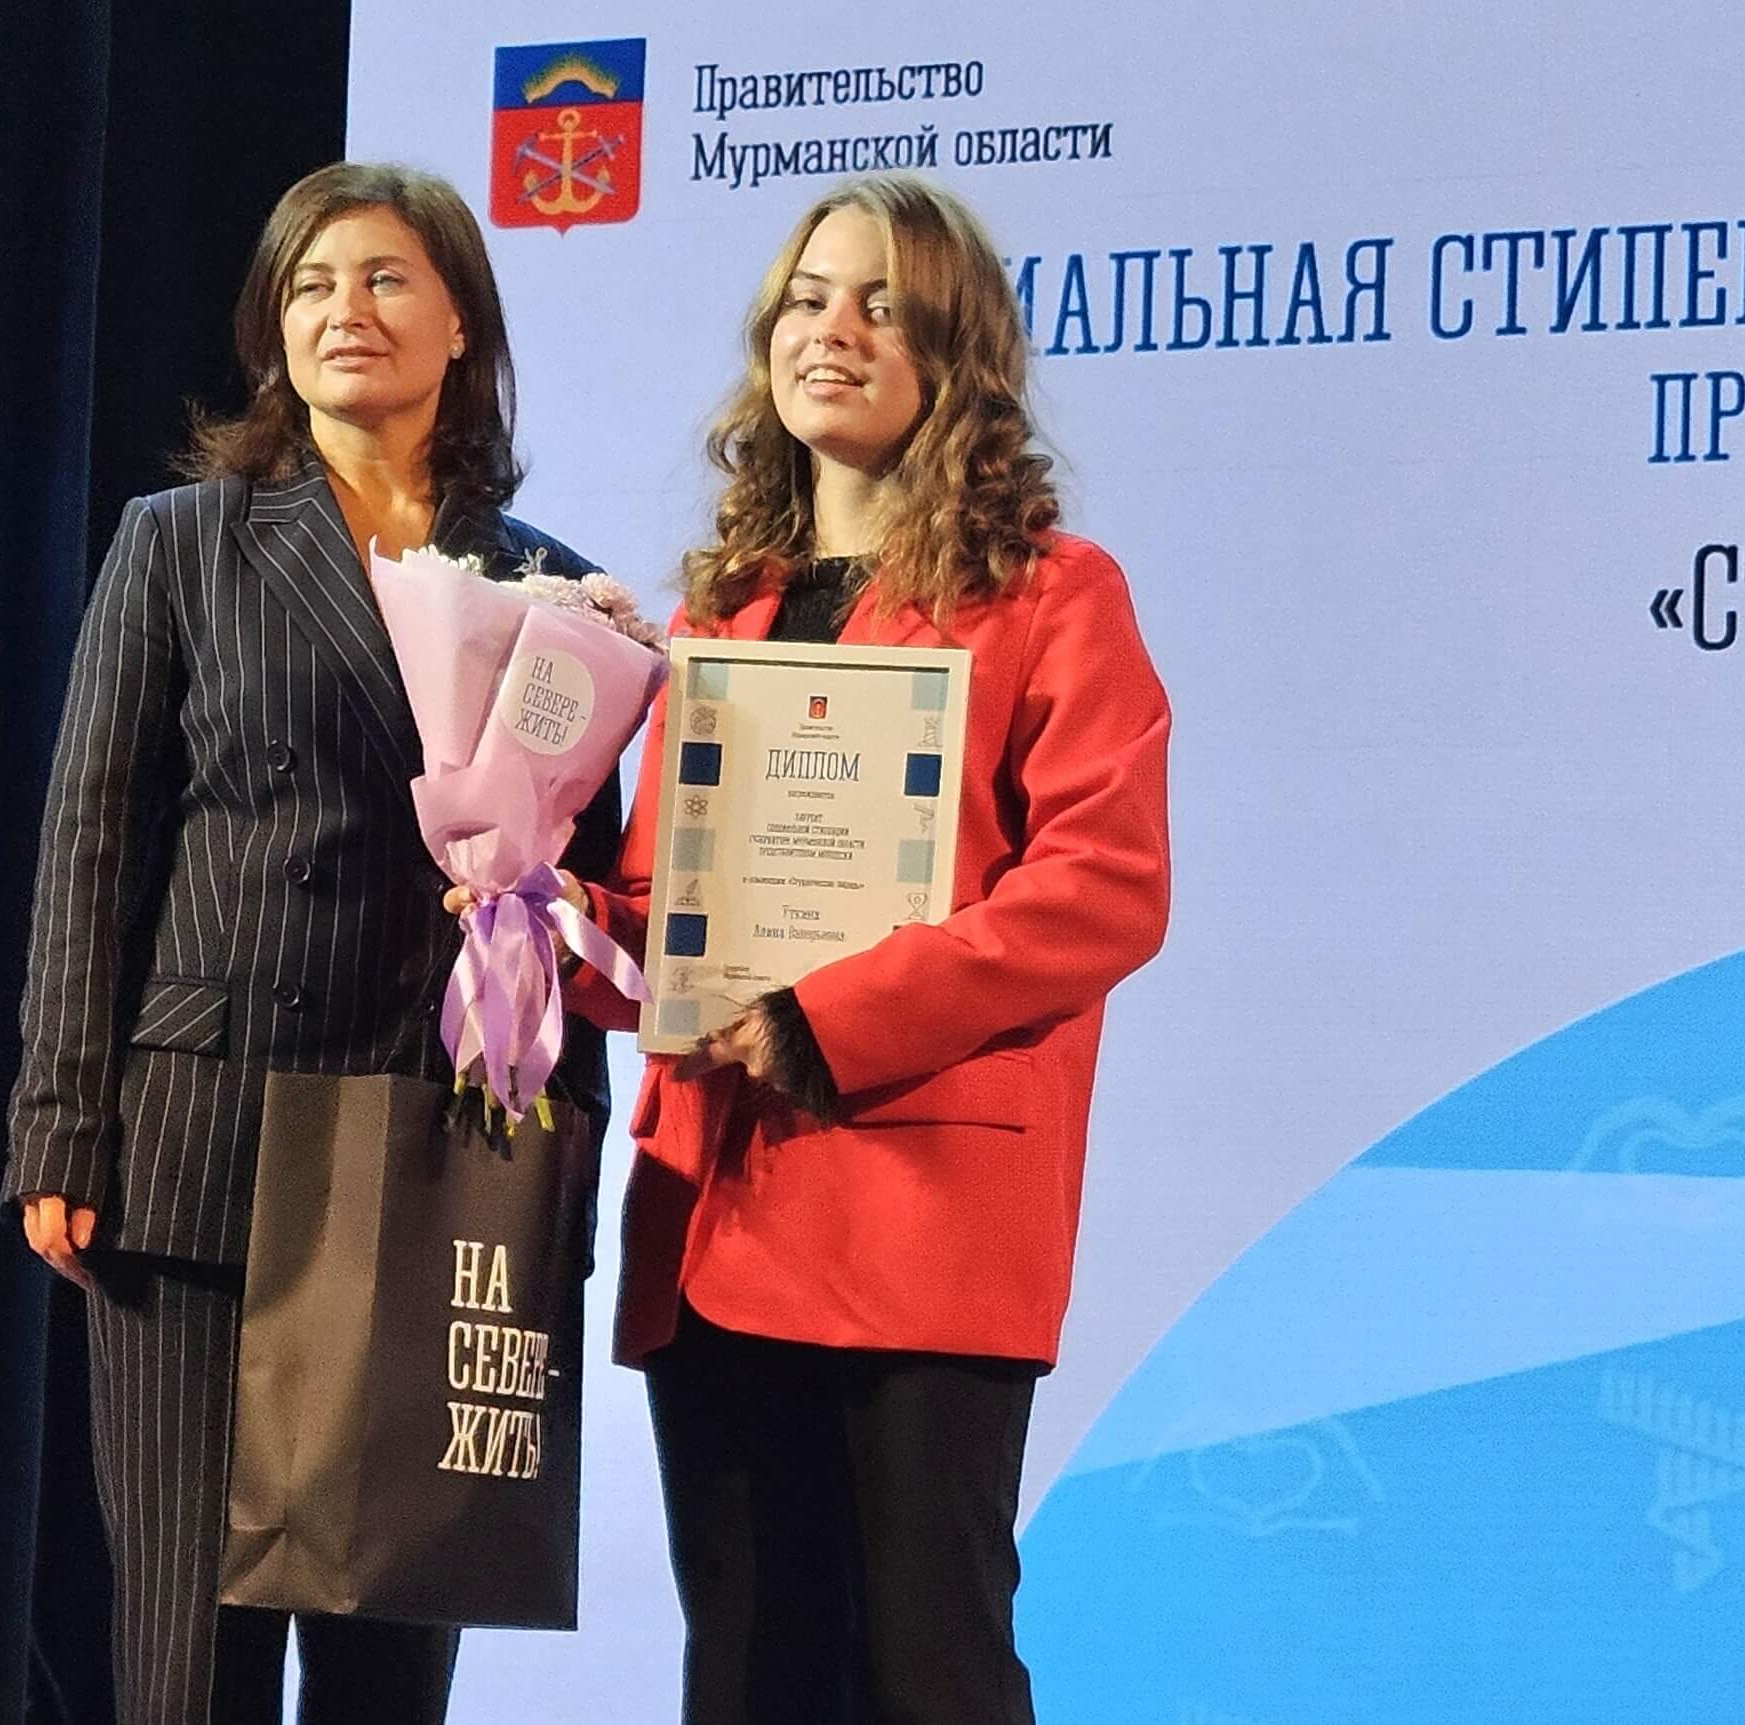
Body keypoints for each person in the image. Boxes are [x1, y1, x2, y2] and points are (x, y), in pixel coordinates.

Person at [3, 161, 619, 1725]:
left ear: (462, 323)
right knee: (185, 1663)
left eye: (388, 276)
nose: (348, 309)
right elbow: (92, 843)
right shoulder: (181, 541)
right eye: (311, 284)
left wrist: (559, 1186)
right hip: (202, 1154)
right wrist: (59, 1121)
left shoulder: (553, 590)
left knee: (389, 1666)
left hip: (436, 1161)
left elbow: (585, 902)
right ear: (273, 331)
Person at [561, 174, 1172, 1723]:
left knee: (926, 1677)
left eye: (883, 306)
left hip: (920, 1212)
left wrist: (826, 1017)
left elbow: (1103, 884)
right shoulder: (723, 611)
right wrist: (542, 921)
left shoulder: (1052, 595)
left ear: (954, 358)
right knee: (747, 1677)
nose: (831, 330)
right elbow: (666, 913)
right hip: (718, 1212)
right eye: (809, 297)